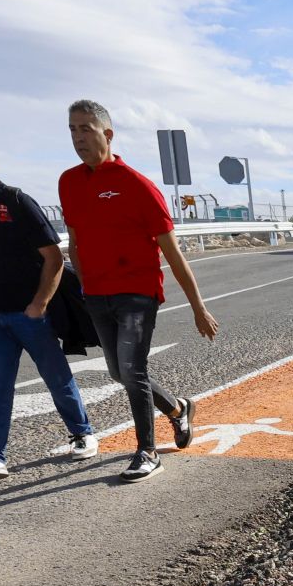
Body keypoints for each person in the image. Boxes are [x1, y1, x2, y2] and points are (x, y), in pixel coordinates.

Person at [58, 99, 219, 482]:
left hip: (137, 293)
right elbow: (75, 242)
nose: (79, 137)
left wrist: (199, 307)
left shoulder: (137, 186)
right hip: (96, 294)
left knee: (133, 369)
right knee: (119, 373)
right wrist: (82, 283)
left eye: (86, 129)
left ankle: (147, 451)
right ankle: (178, 409)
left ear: (107, 134)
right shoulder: (69, 182)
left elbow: (173, 253)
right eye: (72, 130)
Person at [0, 123, 97, 480]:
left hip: (29, 313)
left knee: (56, 377)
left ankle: (83, 433)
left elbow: (54, 257)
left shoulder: (15, 200)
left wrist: (38, 304)